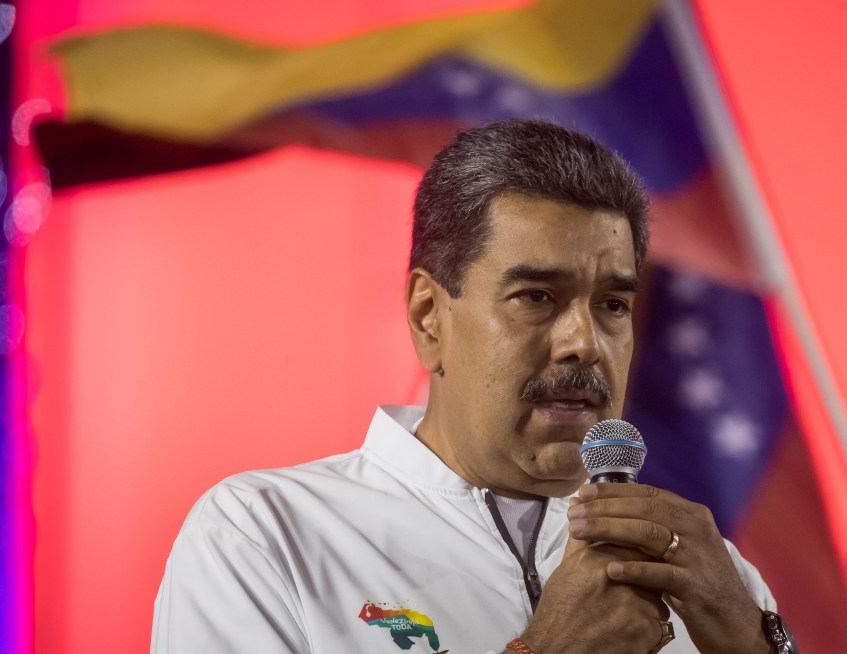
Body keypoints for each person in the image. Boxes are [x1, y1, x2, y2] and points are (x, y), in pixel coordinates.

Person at [151, 120, 796, 653]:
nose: (586, 342)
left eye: (613, 305)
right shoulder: (265, 536)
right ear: (430, 316)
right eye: (537, 296)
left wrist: (752, 637)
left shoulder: (709, 572)